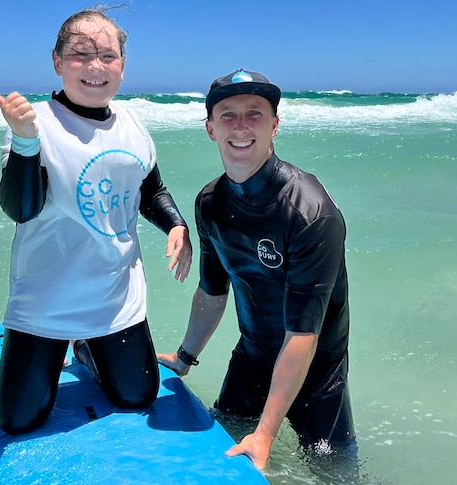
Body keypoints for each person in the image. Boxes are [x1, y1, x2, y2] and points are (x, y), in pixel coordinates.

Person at [0, 7, 192, 435]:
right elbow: (20, 208)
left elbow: (149, 188)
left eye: (108, 55)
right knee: (17, 420)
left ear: (122, 65)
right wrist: (26, 142)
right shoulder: (34, 123)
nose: (95, 66)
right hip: (46, 296)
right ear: (58, 61)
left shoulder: (133, 122)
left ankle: (86, 349)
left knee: (137, 396)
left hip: (116, 296)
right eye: (81, 54)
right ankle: (63, 344)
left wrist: (176, 224)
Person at [158, 69, 355, 470]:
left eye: (255, 114)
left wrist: (265, 432)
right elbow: (213, 290)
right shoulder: (210, 202)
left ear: (275, 125)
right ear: (210, 128)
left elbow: (303, 333)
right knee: (222, 453)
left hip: (316, 372)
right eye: (227, 115)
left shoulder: (309, 211)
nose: (241, 127)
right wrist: (184, 357)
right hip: (251, 358)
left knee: (334, 473)